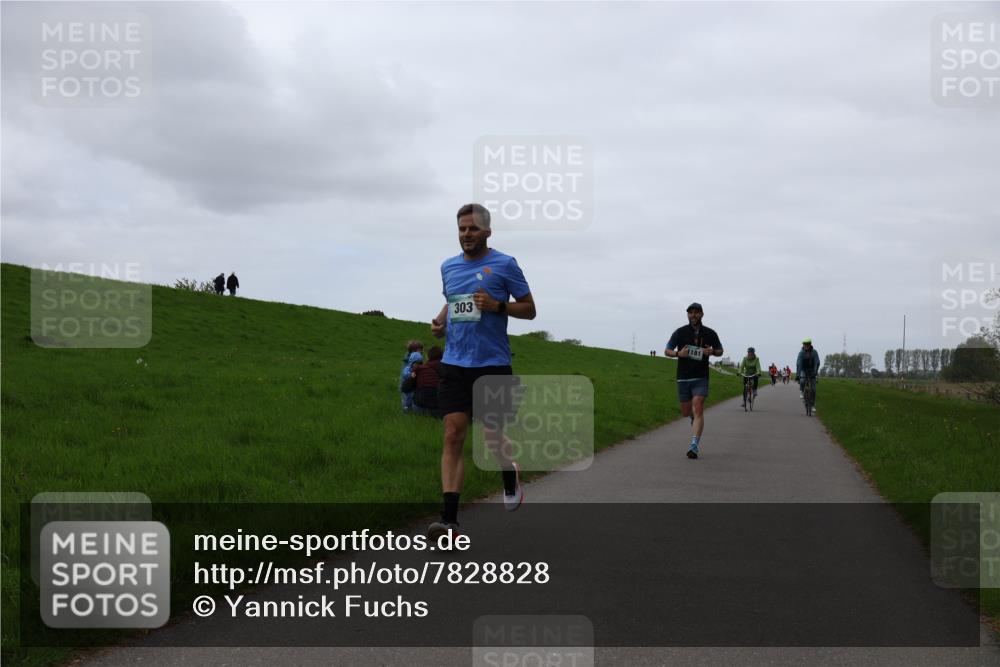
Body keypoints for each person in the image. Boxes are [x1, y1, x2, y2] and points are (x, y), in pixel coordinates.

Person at [427, 203, 536, 539]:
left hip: (492, 365)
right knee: (452, 434)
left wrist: (497, 306)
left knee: (491, 438)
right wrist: (441, 320)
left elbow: (530, 310)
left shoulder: (505, 265)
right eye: (461, 229)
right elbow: (453, 299)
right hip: (455, 363)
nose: (466, 234)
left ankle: (509, 471)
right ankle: (449, 523)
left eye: (473, 229)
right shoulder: (448, 267)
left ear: (487, 231)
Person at [663, 303, 723, 460]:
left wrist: (712, 351)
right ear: (687, 315)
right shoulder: (680, 332)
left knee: (698, 408)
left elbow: (720, 350)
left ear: (702, 314)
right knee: (686, 412)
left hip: (701, 377)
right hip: (683, 377)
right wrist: (678, 354)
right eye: (690, 313)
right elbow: (667, 351)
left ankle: (694, 445)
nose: (693, 315)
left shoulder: (710, 333)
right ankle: (693, 418)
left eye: (696, 312)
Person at [411, 345, 444, 417]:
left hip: (419, 409)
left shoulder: (420, 368)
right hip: (440, 409)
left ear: (428, 356)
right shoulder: (447, 369)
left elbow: (405, 387)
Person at [399, 341, 424, 413]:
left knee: (412, 397)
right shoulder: (411, 360)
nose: (421, 351)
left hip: (412, 383)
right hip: (407, 384)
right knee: (407, 398)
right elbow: (405, 373)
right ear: (414, 350)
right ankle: (406, 410)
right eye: (420, 350)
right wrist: (411, 375)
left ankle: (411, 409)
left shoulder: (417, 358)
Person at [796, 338, 822, 408]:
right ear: (803, 345)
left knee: (813, 390)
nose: (806, 346)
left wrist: (815, 372)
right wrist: (798, 374)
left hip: (812, 370)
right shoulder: (801, 353)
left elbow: (817, 362)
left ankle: (813, 405)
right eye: (805, 344)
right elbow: (799, 363)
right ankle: (802, 390)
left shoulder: (814, 352)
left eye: (807, 344)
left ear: (810, 344)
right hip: (803, 370)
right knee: (802, 380)